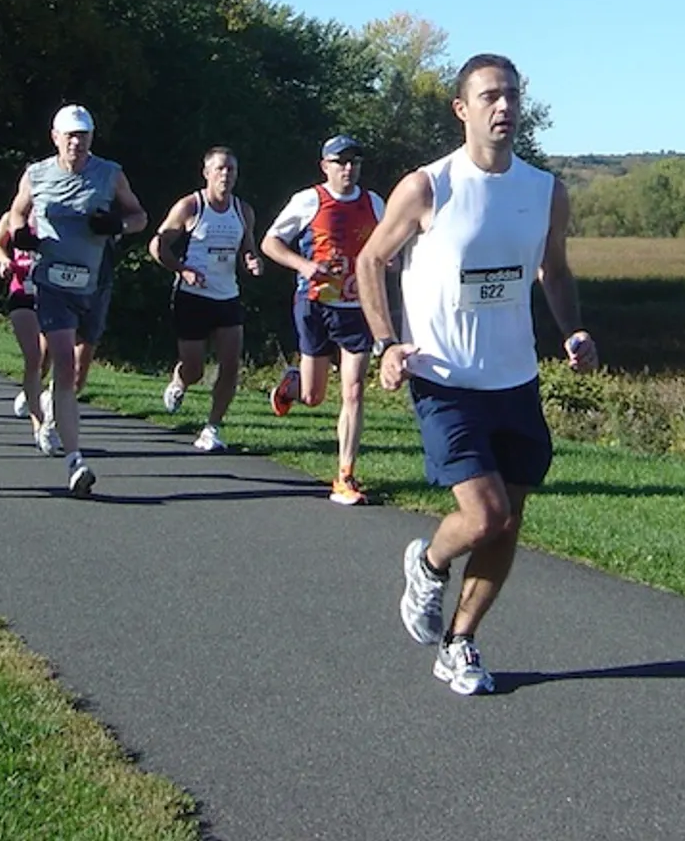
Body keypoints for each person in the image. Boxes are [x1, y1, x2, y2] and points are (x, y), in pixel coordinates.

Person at [355, 54, 598, 697]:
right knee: (484, 515)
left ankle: (460, 642)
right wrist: (386, 343)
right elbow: (370, 260)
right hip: (444, 377)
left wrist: (572, 329)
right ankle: (430, 563)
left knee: (508, 523)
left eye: (513, 95)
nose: (505, 107)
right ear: (462, 109)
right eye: (490, 96)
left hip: (514, 380)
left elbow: (556, 270)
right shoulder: (429, 187)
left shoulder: (545, 191)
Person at [4, 104, 147, 496]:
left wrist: (118, 224)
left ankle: (55, 412)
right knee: (64, 362)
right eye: (69, 135)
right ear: (55, 137)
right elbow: (17, 213)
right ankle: (75, 460)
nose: (76, 142)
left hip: (94, 281)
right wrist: (22, 235)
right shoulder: (37, 174)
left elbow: (140, 216)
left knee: (79, 369)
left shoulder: (110, 173)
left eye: (83, 135)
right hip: (52, 283)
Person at [260, 134, 386, 504]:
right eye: (341, 162)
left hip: (357, 307)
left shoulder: (373, 202)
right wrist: (305, 265)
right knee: (314, 397)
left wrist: (388, 259)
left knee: (354, 390)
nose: (348, 169)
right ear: (325, 166)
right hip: (315, 304)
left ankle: (345, 476)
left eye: (355, 162)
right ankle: (291, 386)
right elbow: (271, 243)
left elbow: (388, 242)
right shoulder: (309, 200)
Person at [152, 147, 263, 453]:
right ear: (207, 173)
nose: (226, 175)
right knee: (195, 369)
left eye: (231, 170)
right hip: (192, 298)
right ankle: (180, 381)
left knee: (230, 365)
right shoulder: (191, 206)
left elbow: (248, 248)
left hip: (228, 297)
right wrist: (182, 270)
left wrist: (253, 261)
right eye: (220, 169)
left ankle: (211, 428)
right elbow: (157, 245)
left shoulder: (243, 211)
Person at [0, 208, 52, 450]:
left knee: (46, 359)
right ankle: (39, 425)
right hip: (21, 293)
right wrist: (5, 261)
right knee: (33, 357)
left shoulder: (56, 217)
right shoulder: (11, 218)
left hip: (49, 294)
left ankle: (29, 393)